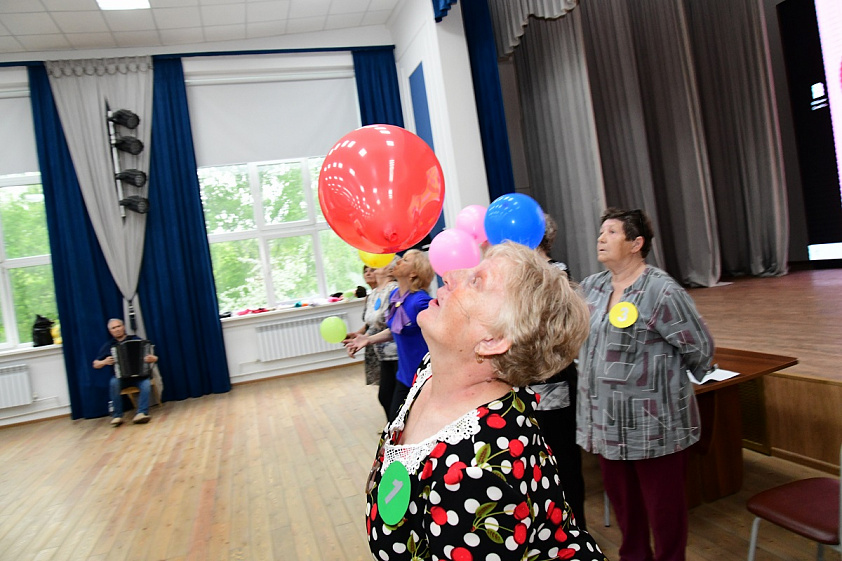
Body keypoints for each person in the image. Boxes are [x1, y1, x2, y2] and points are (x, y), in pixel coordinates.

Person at [365, 242, 605, 561]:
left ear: (493, 340)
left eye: (476, 281)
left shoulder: (480, 470)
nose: (449, 275)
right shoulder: (431, 370)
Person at [577, 208, 714, 561]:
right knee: (627, 515)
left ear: (636, 243)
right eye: (601, 231)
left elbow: (699, 347)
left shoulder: (660, 290)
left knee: (665, 513)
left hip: (655, 428)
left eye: (611, 232)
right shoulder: (592, 287)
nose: (601, 238)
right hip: (606, 424)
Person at [531, 213, 588, 529]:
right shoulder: (525, 275)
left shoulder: (557, 273)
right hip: (529, 382)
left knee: (563, 458)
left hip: (554, 379)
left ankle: (576, 530)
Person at [346, 249, 434, 422]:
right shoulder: (396, 296)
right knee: (394, 421)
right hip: (404, 376)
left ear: (414, 273)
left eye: (405, 260)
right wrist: (367, 339)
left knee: (415, 426)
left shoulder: (421, 301)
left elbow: (443, 332)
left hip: (424, 378)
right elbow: (395, 329)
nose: (398, 261)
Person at [347, 262, 399, 418]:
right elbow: (372, 324)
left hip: (397, 353)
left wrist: (368, 339)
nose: (373, 268)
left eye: (380, 265)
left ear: (390, 271)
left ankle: (400, 429)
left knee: (396, 399)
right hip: (382, 355)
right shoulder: (374, 293)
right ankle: (394, 429)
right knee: (385, 396)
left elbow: (394, 325)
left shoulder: (394, 290)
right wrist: (360, 338)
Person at [92, 318, 158, 426]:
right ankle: (117, 416)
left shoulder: (136, 339)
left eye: (118, 326)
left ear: (123, 327)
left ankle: (141, 413)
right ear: (110, 331)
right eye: (113, 328)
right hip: (121, 378)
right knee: (113, 382)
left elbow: (153, 357)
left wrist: (153, 358)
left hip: (139, 376)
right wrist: (104, 362)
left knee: (146, 383)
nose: (117, 329)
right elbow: (95, 364)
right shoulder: (109, 345)